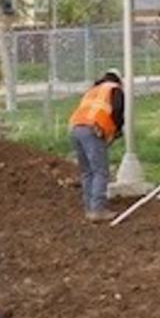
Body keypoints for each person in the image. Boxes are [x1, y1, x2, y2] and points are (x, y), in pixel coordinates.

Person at [69, 69, 125, 222]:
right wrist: (117, 130)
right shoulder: (114, 89)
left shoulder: (93, 90)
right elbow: (118, 112)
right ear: (118, 80)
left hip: (75, 128)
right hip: (93, 129)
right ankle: (98, 210)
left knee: (87, 171)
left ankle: (90, 207)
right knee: (100, 171)